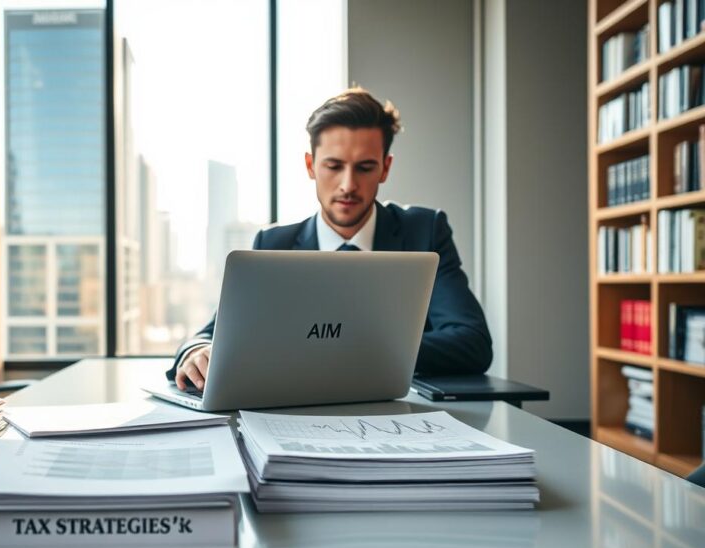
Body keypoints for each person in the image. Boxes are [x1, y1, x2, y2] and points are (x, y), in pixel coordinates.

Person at [168, 87, 493, 391]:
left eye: (365, 167)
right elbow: (211, 335)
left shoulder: (425, 230)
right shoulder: (273, 243)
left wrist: (346, 350)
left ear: (385, 168)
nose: (348, 185)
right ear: (311, 165)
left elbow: (472, 342)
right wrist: (197, 350)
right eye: (334, 166)